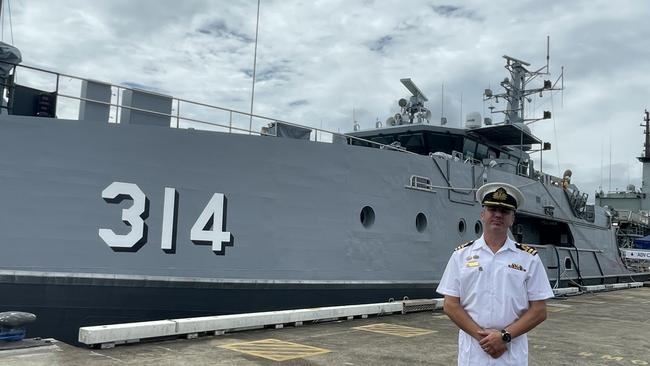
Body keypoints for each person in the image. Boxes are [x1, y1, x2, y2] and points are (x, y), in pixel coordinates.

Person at [436, 182, 554, 366]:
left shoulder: (528, 258)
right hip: (473, 353)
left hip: (511, 353)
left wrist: (504, 337)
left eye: (505, 211)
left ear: (512, 218)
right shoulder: (461, 255)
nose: (498, 215)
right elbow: (450, 305)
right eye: (492, 209)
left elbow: (539, 311)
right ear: (482, 214)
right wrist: (485, 338)